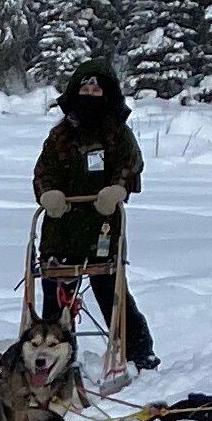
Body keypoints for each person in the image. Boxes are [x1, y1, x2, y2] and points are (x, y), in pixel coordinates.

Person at [31, 60, 158, 376]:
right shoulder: (60, 135)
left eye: (96, 89)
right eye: (85, 88)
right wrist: (48, 193)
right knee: (56, 294)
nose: (90, 94)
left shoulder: (117, 133)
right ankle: (54, 355)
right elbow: (43, 171)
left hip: (102, 226)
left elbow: (132, 165)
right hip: (61, 228)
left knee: (110, 291)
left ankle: (139, 353)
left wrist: (117, 188)